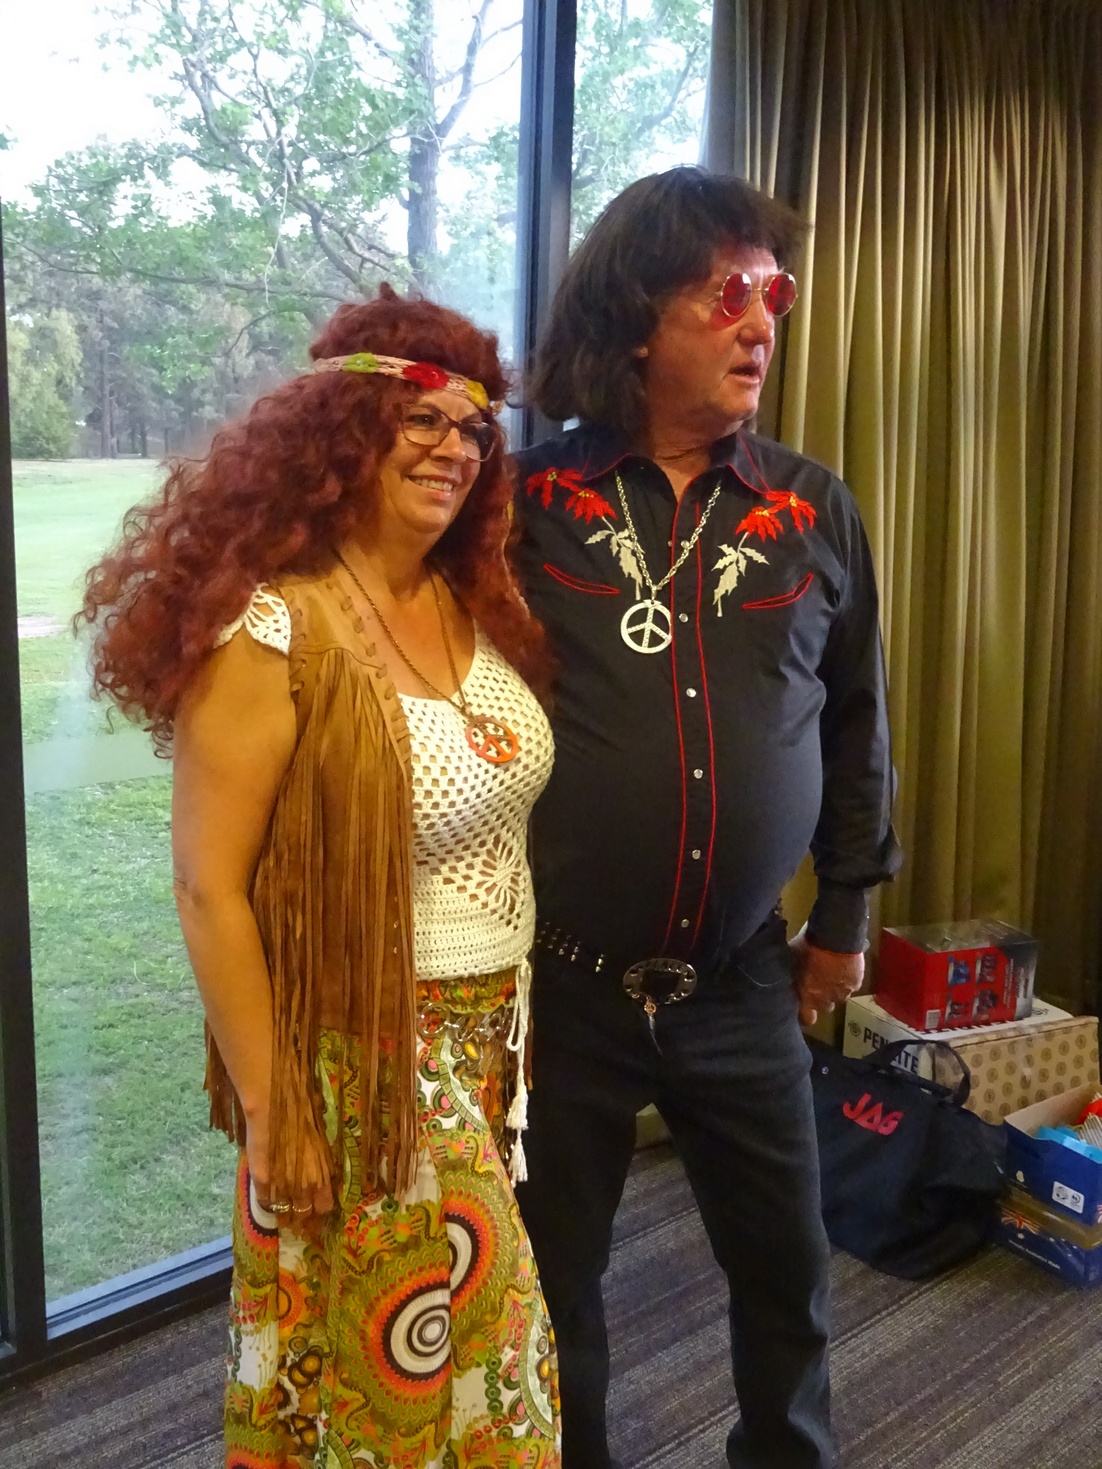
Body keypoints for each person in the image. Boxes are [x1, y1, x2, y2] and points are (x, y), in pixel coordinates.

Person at [78, 287, 561, 1469]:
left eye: (473, 426)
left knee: (409, 1353)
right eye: (422, 417)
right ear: (344, 431)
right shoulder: (272, 628)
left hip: (488, 1036)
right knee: (475, 1362)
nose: (455, 447)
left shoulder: (466, 598)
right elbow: (207, 887)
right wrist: (273, 1106)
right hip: (360, 1054)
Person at [510, 167, 902, 1469]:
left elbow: (854, 720)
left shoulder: (811, 507)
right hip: (562, 988)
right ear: (636, 317)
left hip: (741, 984)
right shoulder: (521, 508)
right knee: (553, 1286)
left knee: (785, 1272)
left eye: (772, 293)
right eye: (725, 294)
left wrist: (844, 913)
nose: (761, 323)